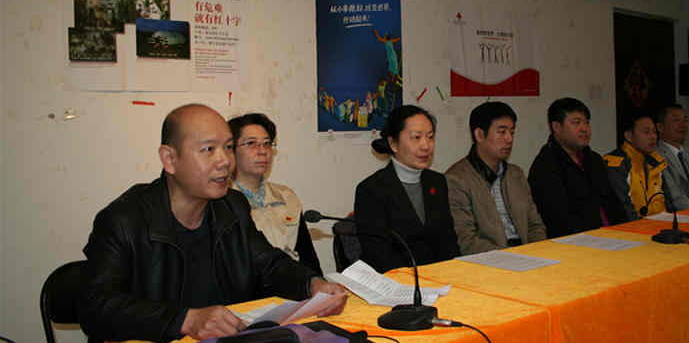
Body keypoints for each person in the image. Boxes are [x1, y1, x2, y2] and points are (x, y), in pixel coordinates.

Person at [79, 104, 346, 342]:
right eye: (208, 150)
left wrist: (312, 284)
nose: (224, 162)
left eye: (228, 148)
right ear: (170, 159)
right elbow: (95, 307)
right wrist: (185, 320)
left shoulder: (232, 206)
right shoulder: (124, 220)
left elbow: (268, 263)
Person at [354, 105, 460, 273]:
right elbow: (378, 255)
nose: (426, 145)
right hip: (398, 280)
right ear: (393, 144)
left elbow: (449, 242)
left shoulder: (437, 182)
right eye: (416, 137)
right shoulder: (371, 190)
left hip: (441, 277)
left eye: (430, 137)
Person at [445, 102, 546, 255]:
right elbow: (466, 240)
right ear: (479, 135)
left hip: (527, 253)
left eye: (512, 132)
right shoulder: (456, 179)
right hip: (490, 259)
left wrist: (536, 252)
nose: (509, 139)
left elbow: (535, 225)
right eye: (502, 132)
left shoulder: (516, 174)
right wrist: (509, 257)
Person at [228, 113, 322, 275]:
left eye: (267, 144)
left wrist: (316, 282)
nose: (262, 151)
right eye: (251, 143)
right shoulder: (221, 201)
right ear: (230, 150)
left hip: (292, 282)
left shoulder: (286, 196)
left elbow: (307, 256)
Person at [528, 98, 628, 238]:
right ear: (557, 127)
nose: (584, 129)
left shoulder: (594, 159)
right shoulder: (545, 165)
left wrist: (626, 231)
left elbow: (614, 204)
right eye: (576, 123)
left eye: (587, 122)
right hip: (578, 242)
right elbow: (558, 220)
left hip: (614, 235)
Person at [604, 112, 668, 220]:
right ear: (629, 136)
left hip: (661, 223)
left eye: (654, 132)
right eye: (646, 132)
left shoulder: (657, 162)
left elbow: (668, 202)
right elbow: (622, 209)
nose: (653, 137)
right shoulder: (616, 163)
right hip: (633, 227)